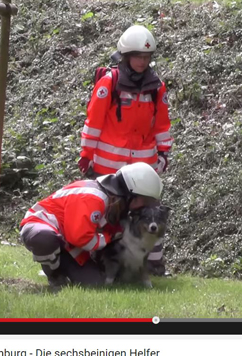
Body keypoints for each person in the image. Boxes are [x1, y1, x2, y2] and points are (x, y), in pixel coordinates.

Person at [78, 25, 174, 275]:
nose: (142, 61)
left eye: (146, 57)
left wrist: (163, 154)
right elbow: (93, 123)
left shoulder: (156, 87)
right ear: (126, 56)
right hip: (109, 170)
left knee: (151, 216)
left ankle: (153, 266)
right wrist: (86, 156)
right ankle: (100, 265)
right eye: (137, 56)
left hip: (143, 170)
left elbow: (162, 125)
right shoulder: (108, 83)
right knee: (105, 218)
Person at [20, 163, 162, 289]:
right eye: (144, 200)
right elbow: (81, 238)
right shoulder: (93, 198)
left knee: (95, 283)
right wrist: (108, 237)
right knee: (44, 238)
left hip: (67, 241)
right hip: (39, 224)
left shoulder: (113, 202)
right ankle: (54, 274)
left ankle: (60, 267)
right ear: (131, 194)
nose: (143, 206)